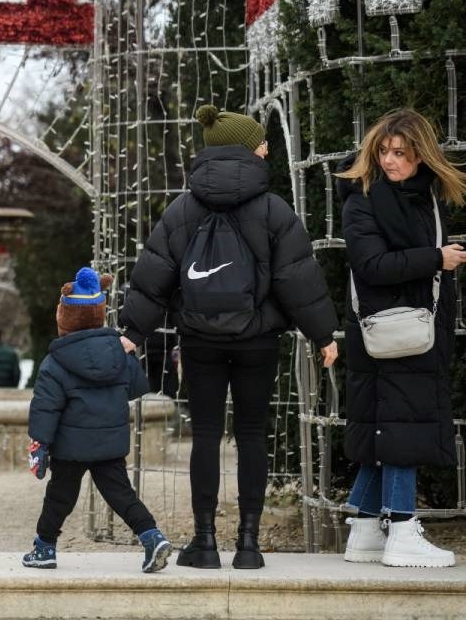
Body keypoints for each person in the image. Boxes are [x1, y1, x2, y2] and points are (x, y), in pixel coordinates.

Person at [119, 105, 339, 570]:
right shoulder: (273, 209)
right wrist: (323, 334)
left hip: (200, 339)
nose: (266, 149)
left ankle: (203, 543)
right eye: (261, 142)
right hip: (258, 340)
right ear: (245, 149)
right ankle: (249, 544)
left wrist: (133, 332)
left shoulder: (183, 208)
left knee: (204, 436)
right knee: (253, 435)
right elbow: (297, 279)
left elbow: (153, 273)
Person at [336, 108, 466, 568]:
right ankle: (403, 529)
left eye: (401, 154)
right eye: (385, 152)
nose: (391, 162)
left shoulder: (423, 197)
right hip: (384, 332)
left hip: (416, 332)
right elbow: (369, 266)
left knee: (386, 428)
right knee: (401, 431)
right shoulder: (362, 198)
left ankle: (368, 529)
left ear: (421, 157)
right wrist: (435, 258)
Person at [25, 268, 171, 573]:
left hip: (70, 446)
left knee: (60, 496)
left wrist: (39, 443)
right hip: (110, 442)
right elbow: (137, 387)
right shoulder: (118, 351)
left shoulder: (55, 361)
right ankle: (151, 535)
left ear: (64, 316)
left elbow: (45, 407)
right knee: (121, 494)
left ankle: (44, 548)